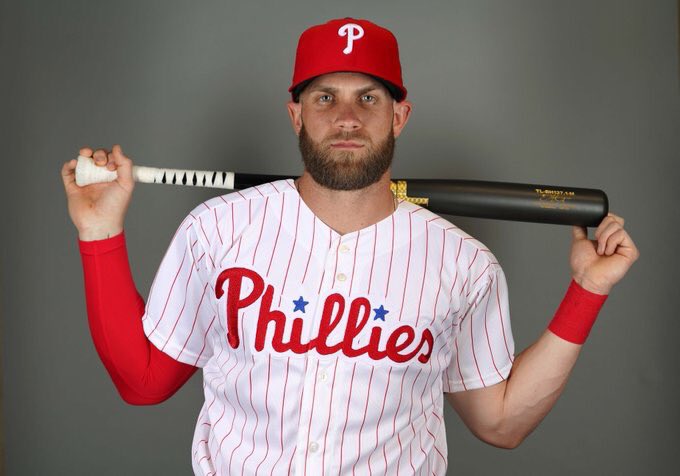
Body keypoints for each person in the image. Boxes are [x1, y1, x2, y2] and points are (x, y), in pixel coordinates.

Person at [61, 17, 639, 476]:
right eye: (324, 98)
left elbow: (502, 423)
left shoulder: (464, 265)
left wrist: (587, 291)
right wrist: (99, 232)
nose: (345, 119)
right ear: (295, 115)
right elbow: (143, 383)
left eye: (368, 99)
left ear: (399, 116)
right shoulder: (216, 230)